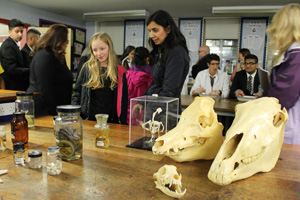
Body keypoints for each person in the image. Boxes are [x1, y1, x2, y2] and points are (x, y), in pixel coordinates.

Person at [72, 32, 128, 124]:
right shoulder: (87, 68)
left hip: (111, 121)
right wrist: (75, 115)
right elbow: (77, 93)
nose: (98, 53)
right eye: (95, 50)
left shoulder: (119, 71)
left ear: (109, 47)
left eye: (102, 49)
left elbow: (123, 101)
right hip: (89, 119)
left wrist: (122, 122)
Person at [266, 3, 300, 145]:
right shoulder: (292, 56)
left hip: (292, 127)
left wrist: (262, 102)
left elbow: (283, 96)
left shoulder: (296, 58)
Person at [143, 10, 189, 113]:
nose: (151, 35)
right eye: (150, 31)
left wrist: (153, 112)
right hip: (158, 109)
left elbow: (170, 90)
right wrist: (141, 102)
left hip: (165, 112)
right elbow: (155, 83)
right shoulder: (162, 51)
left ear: (168, 29)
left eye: (155, 30)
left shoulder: (176, 52)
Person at [27, 24, 73, 116]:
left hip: (56, 109)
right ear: (59, 41)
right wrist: (54, 114)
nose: (67, 44)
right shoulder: (44, 57)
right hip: (44, 111)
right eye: (66, 41)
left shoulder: (56, 56)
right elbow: (45, 90)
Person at [0, 18, 29, 91]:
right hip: (12, 87)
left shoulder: (14, 44)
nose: (20, 34)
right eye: (17, 31)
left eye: (21, 31)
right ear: (10, 32)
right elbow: (11, 69)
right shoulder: (8, 46)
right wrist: (30, 70)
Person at [126, 47, 153, 124]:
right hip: (145, 114)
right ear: (147, 59)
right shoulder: (151, 76)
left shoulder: (128, 75)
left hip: (130, 112)